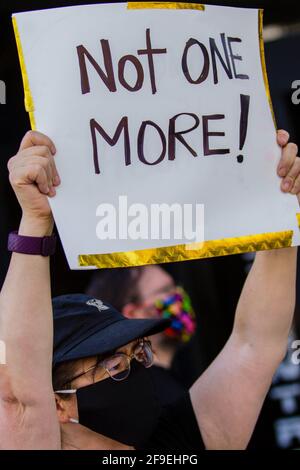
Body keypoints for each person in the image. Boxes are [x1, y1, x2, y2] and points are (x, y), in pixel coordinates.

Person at [0, 129, 300, 450]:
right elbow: (18, 396)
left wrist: (282, 213)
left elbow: (254, 344)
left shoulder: (177, 442)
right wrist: (35, 221)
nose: (138, 374)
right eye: (112, 365)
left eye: (139, 353)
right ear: (58, 404)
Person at [86, 266, 197, 370]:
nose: (179, 294)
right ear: (133, 314)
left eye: (175, 286)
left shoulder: (166, 382)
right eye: (166, 290)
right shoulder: (146, 387)